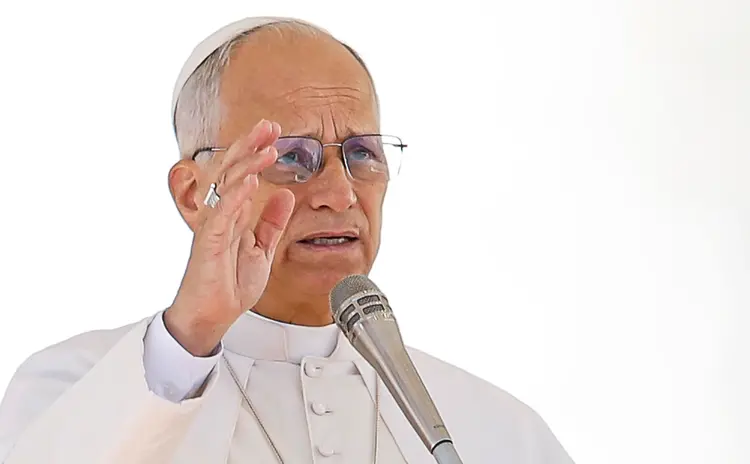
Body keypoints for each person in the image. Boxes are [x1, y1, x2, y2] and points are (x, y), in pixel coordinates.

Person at [0, 16, 574, 464]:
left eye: (362, 154)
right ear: (194, 194)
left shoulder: (497, 432)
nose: (339, 193)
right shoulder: (72, 387)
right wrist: (192, 333)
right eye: (291, 158)